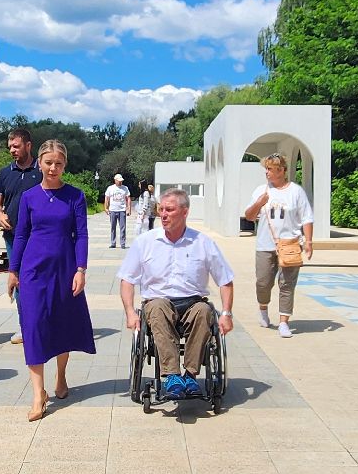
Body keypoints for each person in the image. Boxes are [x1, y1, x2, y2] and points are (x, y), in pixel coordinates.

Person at [118, 188, 235, 401]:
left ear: (185, 212)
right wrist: (129, 312)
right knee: (158, 307)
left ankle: (190, 375)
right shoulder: (145, 242)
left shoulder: (203, 243)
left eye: (169, 210)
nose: (163, 214)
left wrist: (226, 313)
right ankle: (172, 375)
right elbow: (127, 279)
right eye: (161, 209)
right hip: (157, 302)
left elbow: (225, 280)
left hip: (193, 302)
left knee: (203, 310)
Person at [8, 139, 95, 421]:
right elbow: (20, 235)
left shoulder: (75, 196)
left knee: (61, 323)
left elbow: (81, 234)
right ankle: (37, 394)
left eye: (58, 163)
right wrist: (13, 270)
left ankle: (60, 376)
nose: (53, 168)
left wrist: (81, 269)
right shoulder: (29, 197)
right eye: (48, 163)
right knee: (32, 325)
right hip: (33, 269)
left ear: (65, 165)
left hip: (65, 268)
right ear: (39, 163)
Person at [242, 153, 314, 339]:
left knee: (287, 284)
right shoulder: (261, 190)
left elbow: (307, 217)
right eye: (266, 169)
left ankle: (283, 322)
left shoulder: (296, 191)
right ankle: (263, 309)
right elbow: (249, 216)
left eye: (270, 169)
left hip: (290, 243)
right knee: (263, 283)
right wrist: (259, 203)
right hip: (265, 245)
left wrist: (309, 241)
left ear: (281, 170)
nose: (266, 172)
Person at [0, 126, 41, 345]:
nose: (12, 150)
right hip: (13, 237)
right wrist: (0, 215)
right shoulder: (4, 173)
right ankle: (25, 327)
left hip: (39, 236)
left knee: (40, 280)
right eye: (10, 146)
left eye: (16, 146)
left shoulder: (42, 170)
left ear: (28, 146)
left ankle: (42, 325)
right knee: (18, 279)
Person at [104, 173, 131, 248]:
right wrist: (106, 208)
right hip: (113, 210)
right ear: (115, 180)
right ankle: (113, 243)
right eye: (118, 181)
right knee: (113, 227)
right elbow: (107, 198)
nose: (120, 182)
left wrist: (129, 209)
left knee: (123, 227)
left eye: (121, 181)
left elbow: (128, 198)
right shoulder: (110, 188)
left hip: (122, 210)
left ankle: (122, 243)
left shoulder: (125, 188)